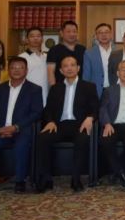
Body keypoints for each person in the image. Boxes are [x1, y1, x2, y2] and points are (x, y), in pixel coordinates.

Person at [0, 57, 43, 194]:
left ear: (26, 70)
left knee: (21, 145)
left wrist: (16, 127)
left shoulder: (34, 89)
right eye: (13, 67)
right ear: (8, 70)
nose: (17, 70)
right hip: (0, 130)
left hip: (21, 130)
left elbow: (36, 113)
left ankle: (20, 181)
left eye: (20, 68)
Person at [36, 56, 99, 193]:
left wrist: (90, 118)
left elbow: (95, 107)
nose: (69, 68)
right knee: (42, 138)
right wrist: (50, 121)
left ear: (78, 68)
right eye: (65, 66)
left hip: (80, 124)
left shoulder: (88, 87)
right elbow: (48, 109)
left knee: (82, 139)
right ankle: (45, 178)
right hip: (59, 125)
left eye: (72, 65)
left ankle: (76, 179)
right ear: (61, 70)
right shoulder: (55, 88)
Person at [46, 20, 86, 85]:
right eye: (68, 31)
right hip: (61, 87)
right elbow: (50, 72)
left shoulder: (83, 49)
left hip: (80, 87)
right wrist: (54, 89)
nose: (72, 34)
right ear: (61, 33)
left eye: (74, 31)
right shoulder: (54, 50)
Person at [19, 27, 49, 106]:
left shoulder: (47, 57)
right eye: (32, 36)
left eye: (38, 36)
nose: (35, 38)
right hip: (27, 99)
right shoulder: (21, 58)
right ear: (27, 39)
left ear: (42, 39)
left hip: (46, 98)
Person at [82, 23, 113, 98]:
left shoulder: (118, 52)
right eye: (100, 33)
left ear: (111, 35)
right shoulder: (89, 53)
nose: (104, 35)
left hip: (114, 91)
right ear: (96, 36)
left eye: (106, 32)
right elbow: (86, 76)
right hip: (96, 92)